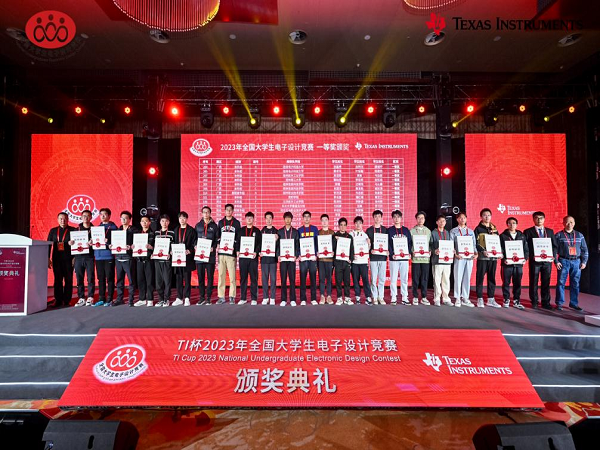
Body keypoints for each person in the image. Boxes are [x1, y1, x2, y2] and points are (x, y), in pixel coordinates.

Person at [523, 211, 557, 310]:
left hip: (547, 262)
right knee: (533, 281)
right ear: (533, 219)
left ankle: (546, 302)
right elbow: (525, 247)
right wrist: (530, 256)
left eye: (541, 218)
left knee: (546, 282)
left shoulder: (550, 231)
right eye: (537, 218)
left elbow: (554, 246)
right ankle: (534, 301)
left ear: (544, 219)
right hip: (535, 261)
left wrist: (553, 256)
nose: (539, 220)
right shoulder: (528, 231)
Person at [554, 215, 588, 311]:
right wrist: (556, 261)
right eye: (567, 222)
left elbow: (585, 250)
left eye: (571, 222)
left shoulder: (580, 235)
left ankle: (574, 303)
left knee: (575, 283)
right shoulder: (558, 235)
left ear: (574, 223)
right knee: (561, 282)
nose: (569, 224)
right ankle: (559, 303)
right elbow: (554, 250)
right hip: (563, 261)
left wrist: (584, 262)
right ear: (563, 223)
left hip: (577, 261)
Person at [109, 211, 138, 307]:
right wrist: (111, 245)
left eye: (125, 218)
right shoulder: (118, 230)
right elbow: (113, 242)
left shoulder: (134, 230)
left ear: (130, 219)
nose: (123, 220)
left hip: (128, 258)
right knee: (119, 280)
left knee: (131, 280)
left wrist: (132, 246)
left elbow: (138, 243)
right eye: (122, 218)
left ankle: (131, 299)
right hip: (118, 257)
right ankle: (119, 299)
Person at [474, 208, 501, 308]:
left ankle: (491, 299)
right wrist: (482, 251)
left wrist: (499, 252)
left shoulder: (494, 228)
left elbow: (497, 242)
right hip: (482, 258)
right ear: (481, 217)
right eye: (485, 215)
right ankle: (480, 298)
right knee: (480, 277)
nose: (487, 217)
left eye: (489, 215)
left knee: (492, 278)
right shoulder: (478, 229)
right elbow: (475, 243)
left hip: (493, 258)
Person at [499, 217, 528, 310]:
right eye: (510, 223)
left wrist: (525, 259)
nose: (512, 225)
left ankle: (516, 300)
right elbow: (500, 249)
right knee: (506, 282)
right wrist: (504, 259)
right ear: (507, 224)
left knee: (517, 283)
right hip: (507, 264)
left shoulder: (522, 236)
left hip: (518, 264)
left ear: (517, 224)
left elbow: (526, 249)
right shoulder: (502, 236)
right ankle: (506, 299)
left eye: (514, 223)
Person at [47, 212, 75, 307]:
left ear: (68, 219)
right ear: (58, 220)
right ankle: (58, 300)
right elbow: (48, 245)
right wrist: (47, 258)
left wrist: (75, 258)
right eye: (61, 219)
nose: (63, 220)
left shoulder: (73, 230)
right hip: (57, 259)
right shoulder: (53, 231)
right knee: (58, 280)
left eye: (65, 219)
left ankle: (67, 300)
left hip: (69, 259)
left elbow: (78, 245)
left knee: (68, 280)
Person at [449, 212, 477, 308]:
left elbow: (474, 244)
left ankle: (465, 298)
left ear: (466, 219)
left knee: (467, 277)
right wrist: (455, 254)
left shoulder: (471, 231)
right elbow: (451, 244)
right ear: (457, 219)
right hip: (459, 257)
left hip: (469, 257)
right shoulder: (453, 231)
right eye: (460, 218)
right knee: (458, 277)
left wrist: (476, 253)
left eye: (464, 218)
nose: (462, 219)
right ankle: (457, 298)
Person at [92, 208, 118, 307]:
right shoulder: (96, 228)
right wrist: (91, 241)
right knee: (100, 278)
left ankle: (110, 298)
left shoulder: (114, 227)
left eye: (105, 214)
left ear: (109, 216)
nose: (102, 216)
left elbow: (118, 241)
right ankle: (101, 298)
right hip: (98, 256)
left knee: (110, 278)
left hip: (108, 256)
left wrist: (109, 241)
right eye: (101, 214)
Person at [217, 204, 241, 304]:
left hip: (231, 253)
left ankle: (232, 296)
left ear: (233, 211)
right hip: (222, 253)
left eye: (230, 210)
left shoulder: (236, 223)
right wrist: (218, 244)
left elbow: (238, 237)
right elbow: (218, 236)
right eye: (227, 210)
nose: (229, 211)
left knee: (232, 276)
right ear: (225, 211)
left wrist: (237, 249)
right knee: (221, 275)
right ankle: (221, 297)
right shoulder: (220, 222)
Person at [194, 206, 219, 306]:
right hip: (200, 255)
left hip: (210, 256)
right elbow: (194, 238)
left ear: (210, 213)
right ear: (202, 213)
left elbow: (217, 239)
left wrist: (213, 247)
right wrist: (195, 245)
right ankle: (201, 298)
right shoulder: (198, 225)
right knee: (200, 278)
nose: (206, 214)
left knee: (210, 277)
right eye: (204, 212)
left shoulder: (214, 226)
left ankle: (208, 298)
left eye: (207, 212)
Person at [172, 211, 197, 307]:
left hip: (187, 258)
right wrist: (172, 250)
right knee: (178, 278)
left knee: (187, 278)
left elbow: (194, 243)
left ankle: (187, 298)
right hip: (178, 258)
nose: (182, 220)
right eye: (180, 218)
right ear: (178, 219)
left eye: (184, 218)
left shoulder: (191, 230)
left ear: (187, 219)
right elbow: (173, 242)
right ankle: (179, 298)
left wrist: (190, 250)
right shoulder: (176, 230)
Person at [71, 209, 95, 307]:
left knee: (90, 278)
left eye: (88, 216)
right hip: (78, 257)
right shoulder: (76, 230)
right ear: (81, 217)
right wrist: (71, 243)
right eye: (84, 216)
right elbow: (72, 243)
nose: (86, 217)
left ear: (91, 217)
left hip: (89, 257)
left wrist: (93, 242)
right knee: (79, 278)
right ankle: (81, 297)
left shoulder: (95, 230)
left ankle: (90, 297)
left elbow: (99, 243)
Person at [388, 210, 412, 305]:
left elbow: (409, 243)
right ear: (392, 218)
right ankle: (393, 297)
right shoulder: (389, 230)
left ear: (401, 218)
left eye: (398, 217)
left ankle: (404, 297)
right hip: (394, 258)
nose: (396, 219)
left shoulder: (406, 230)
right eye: (395, 217)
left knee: (404, 279)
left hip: (404, 258)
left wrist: (409, 252)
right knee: (393, 279)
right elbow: (388, 244)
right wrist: (391, 254)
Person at [237, 212, 261, 305]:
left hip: (253, 258)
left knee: (253, 278)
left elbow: (259, 243)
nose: (249, 219)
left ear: (253, 219)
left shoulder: (257, 231)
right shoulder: (241, 231)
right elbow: (237, 242)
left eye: (251, 218)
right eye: (248, 218)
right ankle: (243, 298)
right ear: (245, 219)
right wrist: (237, 250)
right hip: (243, 258)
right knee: (243, 278)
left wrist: (256, 252)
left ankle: (254, 298)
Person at [366, 210, 388, 305]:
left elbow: (388, 243)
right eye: (375, 216)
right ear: (373, 218)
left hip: (383, 258)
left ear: (381, 218)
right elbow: (367, 245)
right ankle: (374, 297)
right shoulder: (369, 230)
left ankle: (381, 297)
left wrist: (388, 251)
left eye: (379, 216)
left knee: (382, 279)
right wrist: (370, 248)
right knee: (373, 279)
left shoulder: (385, 230)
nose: (377, 218)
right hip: (373, 258)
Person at [430, 215, 453, 307]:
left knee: (446, 280)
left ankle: (446, 298)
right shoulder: (433, 233)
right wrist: (434, 250)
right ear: (437, 222)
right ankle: (437, 299)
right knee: (437, 280)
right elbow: (430, 245)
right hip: (437, 260)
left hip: (447, 260)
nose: (442, 222)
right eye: (440, 221)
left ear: (445, 222)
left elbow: (451, 244)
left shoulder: (448, 233)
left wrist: (452, 250)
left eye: (443, 221)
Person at [278, 211, 299, 307]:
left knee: (292, 280)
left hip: (291, 260)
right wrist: (278, 255)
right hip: (283, 260)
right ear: (284, 219)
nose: (287, 220)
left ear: (291, 219)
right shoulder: (279, 232)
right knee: (283, 280)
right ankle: (283, 299)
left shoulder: (295, 232)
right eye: (286, 218)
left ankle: (293, 299)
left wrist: (296, 255)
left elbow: (297, 245)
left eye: (289, 218)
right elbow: (277, 246)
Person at [133, 215, 155, 307]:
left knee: (149, 281)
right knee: (140, 280)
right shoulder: (137, 234)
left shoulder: (153, 234)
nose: (144, 223)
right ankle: (142, 299)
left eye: (146, 221)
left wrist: (152, 247)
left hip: (149, 260)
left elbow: (157, 247)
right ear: (140, 223)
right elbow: (133, 245)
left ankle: (150, 299)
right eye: (143, 221)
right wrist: (133, 247)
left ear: (149, 222)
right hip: (139, 259)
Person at [351, 216, 373, 305]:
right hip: (355, 262)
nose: (358, 225)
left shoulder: (365, 235)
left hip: (363, 262)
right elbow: (348, 247)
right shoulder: (351, 234)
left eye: (360, 223)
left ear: (362, 224)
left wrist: (369, 243)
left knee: (365, 280)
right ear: (354, 224)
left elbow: (368, 249)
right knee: (355, 280)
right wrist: (351, 256)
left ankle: (368, 297)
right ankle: (357, 297)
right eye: (356, 223)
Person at [410, 211, 431, 305]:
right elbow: (410, 244)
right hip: (416, 259)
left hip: (425, 259)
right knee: (415, 278)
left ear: (424, 219)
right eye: (418, 218)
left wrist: (430, 251)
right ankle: (415, 297)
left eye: (422, 218)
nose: (420, 220)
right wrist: (412, 252)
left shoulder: (428, 231)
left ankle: (424, 297)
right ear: (416, 219)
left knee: (424, 279)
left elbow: (430, 244)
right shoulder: (412, 231)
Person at [298, 211, 319, 305]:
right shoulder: (299, 230)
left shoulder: (315, 229)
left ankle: (313, 298)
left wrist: (316, 253)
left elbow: (317, 242)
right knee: (302, 278)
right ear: (303, 218)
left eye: (308, 217)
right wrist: (298, 254)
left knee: (313, 279)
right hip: (303, 258)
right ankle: (303, 299)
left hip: (312, 258)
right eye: (305, 217)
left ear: (310, 218)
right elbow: (297, 244)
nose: (306, 218)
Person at [154, 214, 174, 307]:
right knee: (158, 282)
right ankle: (161, 299)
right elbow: (154, 246)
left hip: (167, 260)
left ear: (168, 222)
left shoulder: (171, 233)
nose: (164, 223)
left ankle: (167, 299)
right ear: (160, 222)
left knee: (167, 281)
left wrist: (171, 252)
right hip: (158, 260)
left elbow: (173, 245)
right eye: (162, 221)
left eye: (166, 221)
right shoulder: (156, 233)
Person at [334, 218, 354, 305]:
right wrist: (335, 241)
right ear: (339, 226)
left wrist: (351, 259)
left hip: (346, 262)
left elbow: (352, 249)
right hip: (338, 262)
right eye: (341, 225)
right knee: (338, 280)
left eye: (344, 225)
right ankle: (339, 298)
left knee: (347, 281)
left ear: (346, 226)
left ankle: (347, 297)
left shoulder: (349, 237)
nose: (342, 227)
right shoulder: (334, 236)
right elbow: (332, 249)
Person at [260, 211, 278, 305]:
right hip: (264, 259)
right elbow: (258, 244)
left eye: (270, 218)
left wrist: (277, 240)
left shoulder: (276, 231)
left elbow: (279, 246)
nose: (268, 220)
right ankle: (265, 297)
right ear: (265, 219)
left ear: (272, 219)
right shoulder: (261, 231)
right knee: (264, 279)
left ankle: (273, 298)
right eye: (266, 218)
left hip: (273, 260)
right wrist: (259, 252)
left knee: (273, 279)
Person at [318, 214, 335, 305]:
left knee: (329, 279)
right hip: (321, 260)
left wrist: (333, 252)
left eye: (326, 220)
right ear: (321, 222)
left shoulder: (332, 233)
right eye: (323, 220)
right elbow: (316, 245)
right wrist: (316, 252)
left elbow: (335, 246)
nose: (324, 222)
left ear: (328, 221)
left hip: (330, 260)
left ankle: (328, 296)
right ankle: (322, 296)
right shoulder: (318, 233)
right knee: (321, 279)